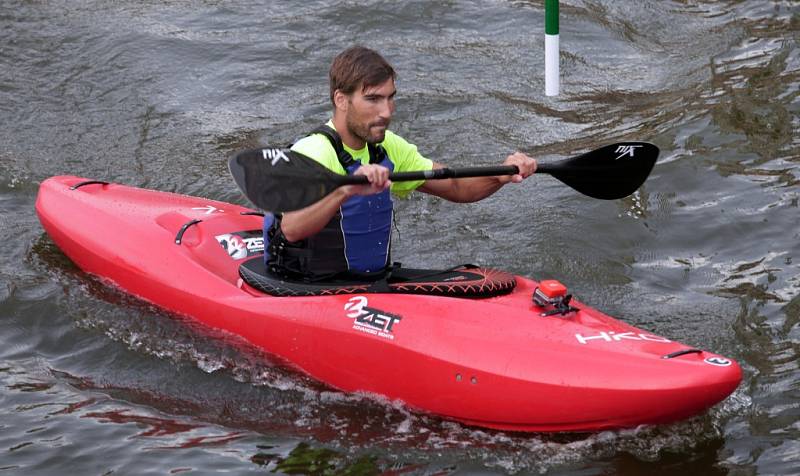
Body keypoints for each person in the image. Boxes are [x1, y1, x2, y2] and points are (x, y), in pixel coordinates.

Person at [263, 46, 537, 282]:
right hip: (310, 287)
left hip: (373, 283)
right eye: (373, 99)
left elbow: (455, 185)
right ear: (341, 100)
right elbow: (292, 228)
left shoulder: (386, 146)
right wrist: (347, 189)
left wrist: (502, 175)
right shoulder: (313, 152)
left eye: (390, 97)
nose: (386, 111)